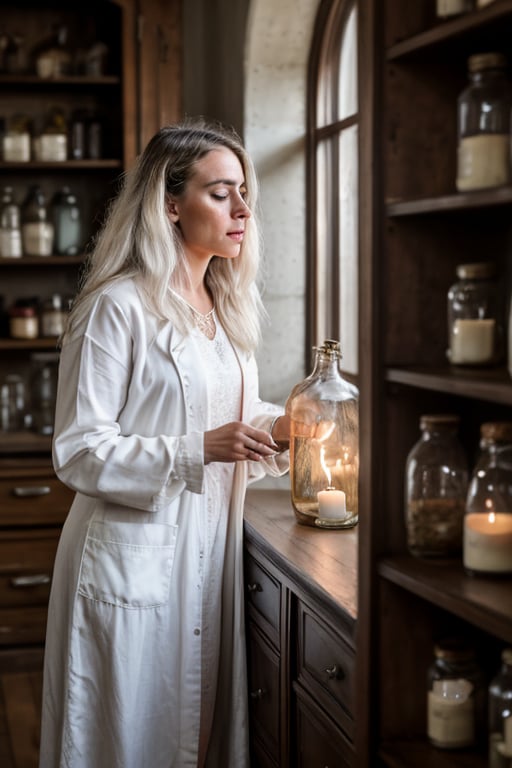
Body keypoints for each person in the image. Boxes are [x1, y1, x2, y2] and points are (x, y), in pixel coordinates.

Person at [39, 118, 290, 768]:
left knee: (194, 732)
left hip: (205, 555)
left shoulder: (224, 308)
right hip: (130, 557)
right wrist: (197, 450)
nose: (241, 211)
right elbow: (79, 448)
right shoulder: (115, 307)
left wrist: (282, 426)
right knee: (123, 738)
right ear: (170, 204)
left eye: (244, 194)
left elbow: (222, 414)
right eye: (220, 193)